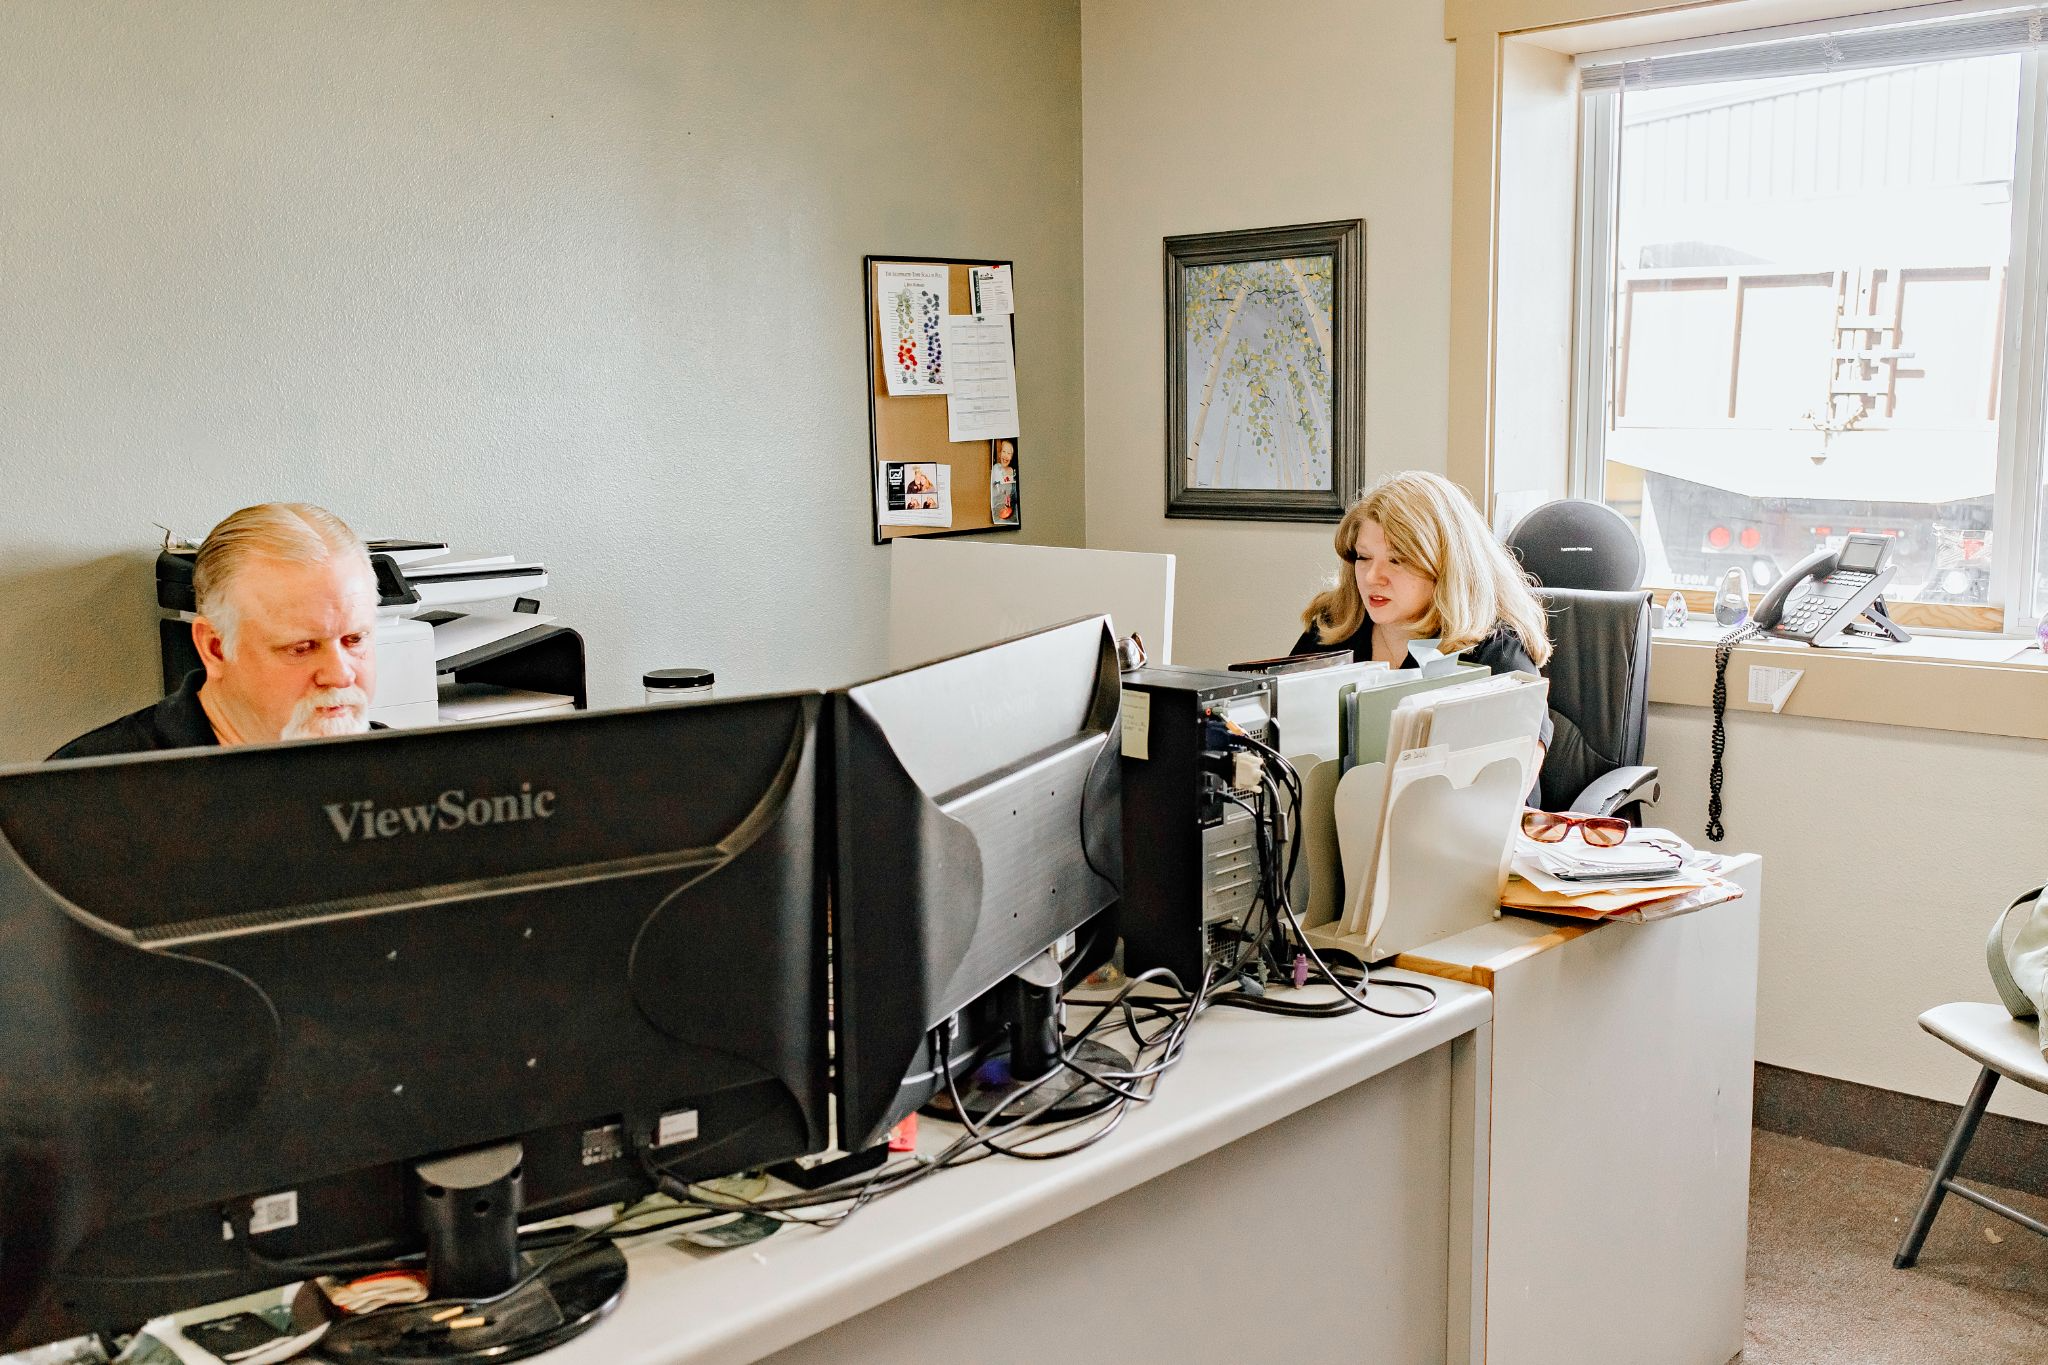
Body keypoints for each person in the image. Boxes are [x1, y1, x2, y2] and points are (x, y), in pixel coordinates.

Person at [50, 503, 382, 759]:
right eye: (302, 647)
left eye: (354, 640)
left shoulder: (411, 772)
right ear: (216, 648)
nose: (340, 675)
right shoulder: (87, 790)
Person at [1291, 470, 1553, 753]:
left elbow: (1518, 773)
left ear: (1445, 566)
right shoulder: (1335, 625)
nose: (1371, 577)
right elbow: (1285, 729)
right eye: (1364, 557)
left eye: (1396, 560)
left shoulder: (1496, 652)